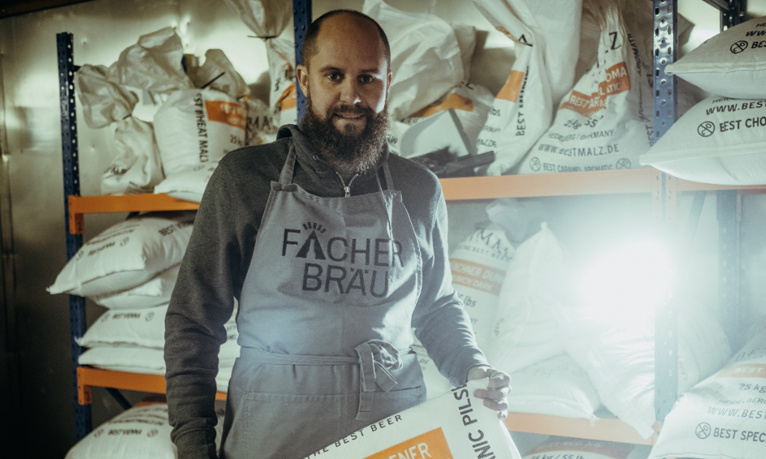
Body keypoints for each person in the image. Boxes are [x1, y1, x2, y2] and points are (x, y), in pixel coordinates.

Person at [164, 9, 510, 459]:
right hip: (273, 431)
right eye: (334, 76)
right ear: (304, 80)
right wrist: (193, 444)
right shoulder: (245, 179)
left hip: (392, 433)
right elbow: (194, 320)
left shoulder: (419, 189)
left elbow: (438, 306)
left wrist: (473, 369)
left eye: (368, 78)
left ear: (388, 82)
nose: (353, 96)